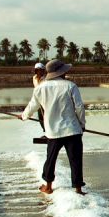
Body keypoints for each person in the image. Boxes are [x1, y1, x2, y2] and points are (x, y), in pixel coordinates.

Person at [20, 59, 86, 195]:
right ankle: (78, 189)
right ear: (62, 72)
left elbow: (33, 105)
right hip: (72, 129)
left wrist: (24, 116)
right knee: (75, 159)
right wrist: (82, 124)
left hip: (52, 131)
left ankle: (48, 186)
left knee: (50, 159)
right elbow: (79, 107)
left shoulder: (40, 88)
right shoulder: (70, 86)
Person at [32, 62, 47, 133]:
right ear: (36, 71)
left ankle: (48, 132)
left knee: (46, 116)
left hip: (46, 100)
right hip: (38, 100)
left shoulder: (46, 79)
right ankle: (45, 131)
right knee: (40, 116)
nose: (39, 71)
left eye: (41, 70)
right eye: (38, 70)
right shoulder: (34, 78)